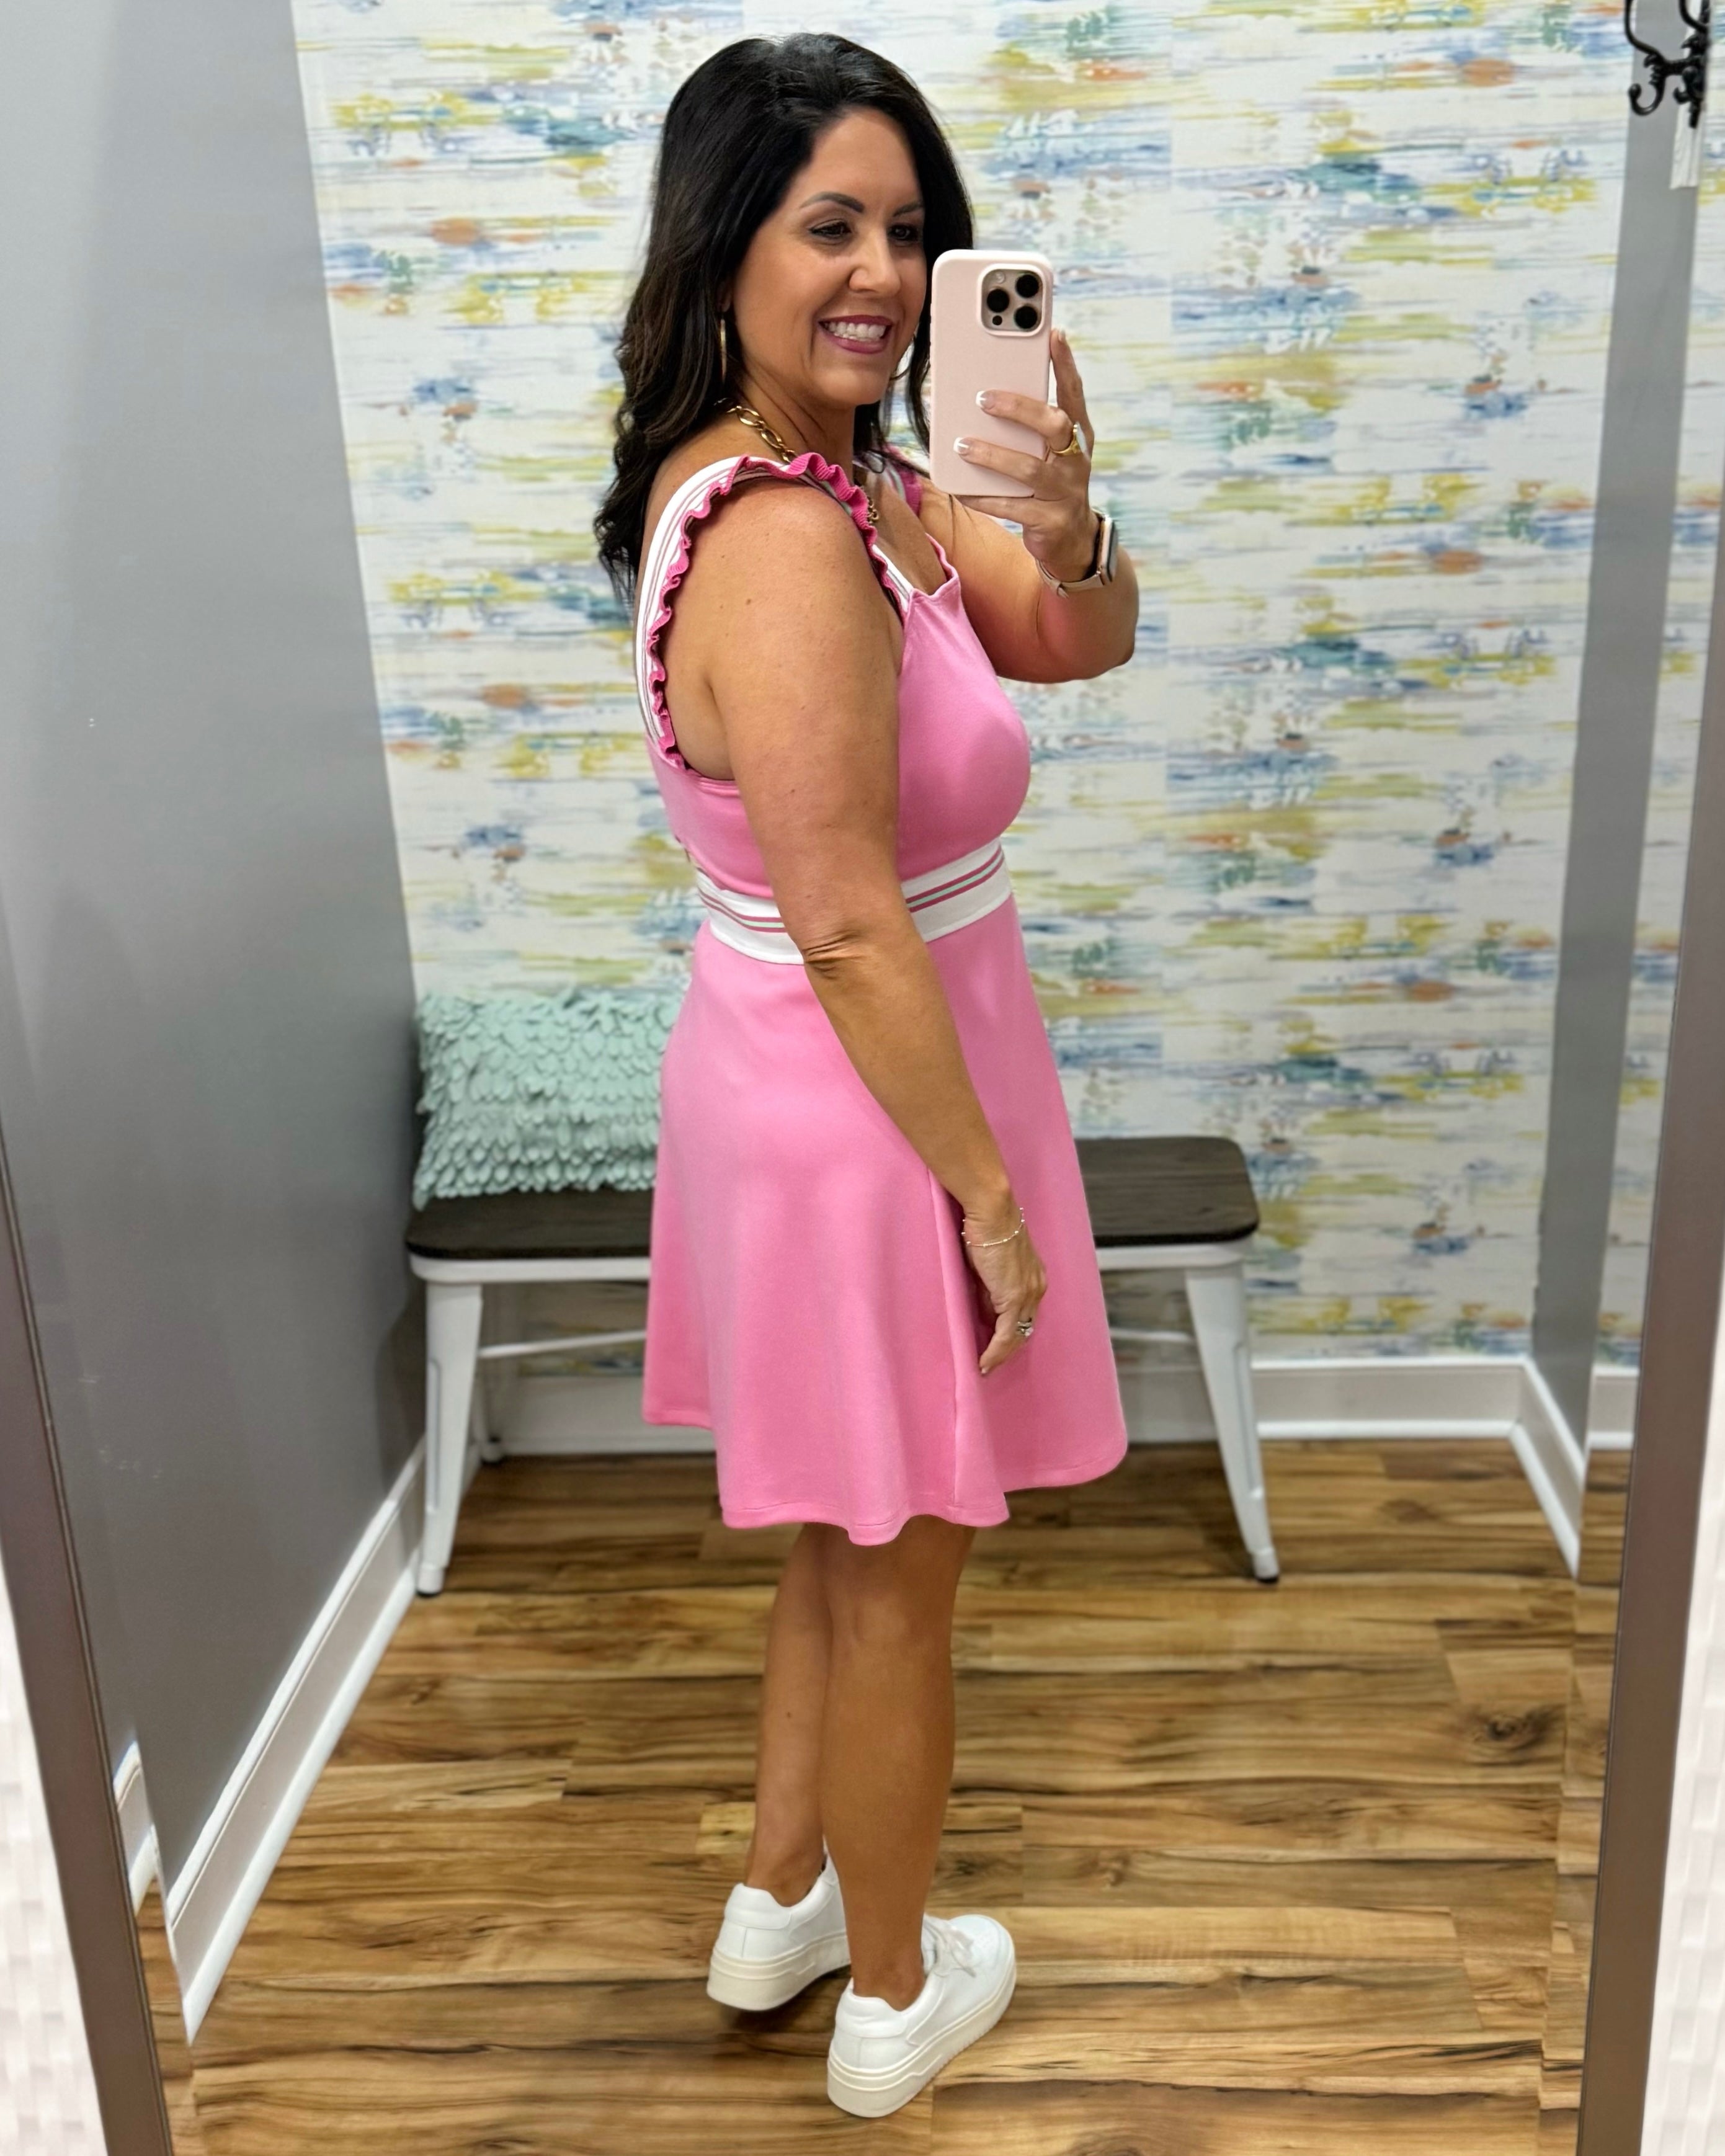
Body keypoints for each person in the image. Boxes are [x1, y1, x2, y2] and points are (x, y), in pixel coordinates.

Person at [595, 31, 1137, 2119]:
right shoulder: (788, 536)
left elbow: (1070, 642)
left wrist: (1072, 522)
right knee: (907, 1554)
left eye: (913, 230)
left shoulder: (863, 489)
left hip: (837, 1073)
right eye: (832, 223)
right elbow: (841, 917)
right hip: (868, 1093)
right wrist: (989, 1197)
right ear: (723, 241)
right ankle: (897, 1999)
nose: (887, 274)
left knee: (845, 1529)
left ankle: (784, 1892)